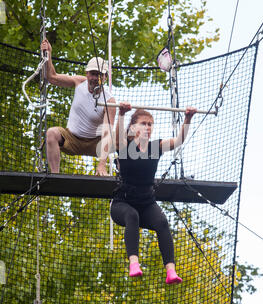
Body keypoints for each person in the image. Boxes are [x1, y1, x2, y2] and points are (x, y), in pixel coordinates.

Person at [110, 102, 197, 284]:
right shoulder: (125, 146)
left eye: (150, 124)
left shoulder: (156, 147)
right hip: (122, 203)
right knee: (132, 216)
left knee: (162, 222)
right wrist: (121, 114)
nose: (148, 128)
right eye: (144, 123)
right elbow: (117, 139)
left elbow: (178, 140)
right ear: (134, 127)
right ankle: (134, 263)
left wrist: (188, 119)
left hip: (147, 203)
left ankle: (170, 271)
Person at [41, 39, 116, 175]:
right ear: (87, 74)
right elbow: (52, 77)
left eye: (99, 75)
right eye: (93, 74)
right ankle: (55, 176)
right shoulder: (78, 82)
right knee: (52, 133)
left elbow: (107, 133)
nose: (95, 78)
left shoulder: (109, 101)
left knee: (121, 140)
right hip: (72, 139)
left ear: (105, 77)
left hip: (95, 144)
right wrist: (48, 54)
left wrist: (101, 165)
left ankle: (126, 180)